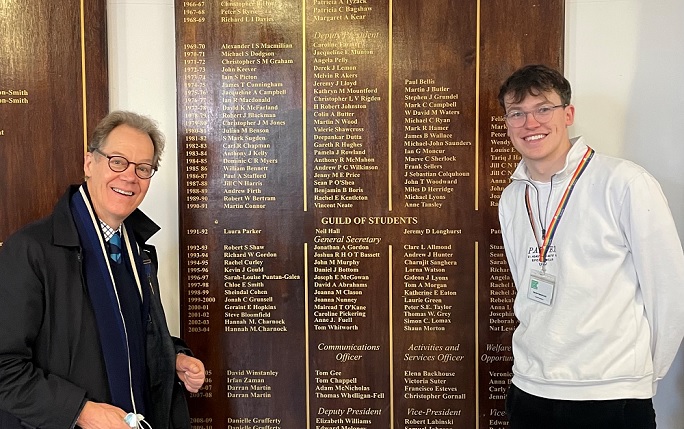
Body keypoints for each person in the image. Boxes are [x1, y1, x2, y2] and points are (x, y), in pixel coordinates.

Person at [497, 64, 684, 428]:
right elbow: (526, 282)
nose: (530, 123)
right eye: (517, 113)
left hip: (608, 394)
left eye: (542, 109)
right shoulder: (512, 197)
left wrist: (642, 375)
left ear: (567, 114)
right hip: (530, 389)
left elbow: (670, 291)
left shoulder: (625, 183)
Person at [0, 111, 205, 429]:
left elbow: (129, 335)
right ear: (89, 163)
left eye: (143, 168)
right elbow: (4, 368)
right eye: (118, 161)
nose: (130, 177)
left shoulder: (138, 250)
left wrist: (171, 358)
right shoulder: (30, 251)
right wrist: (80, 412)